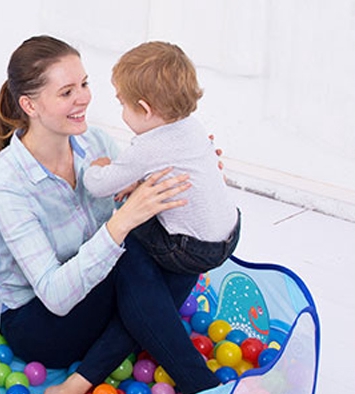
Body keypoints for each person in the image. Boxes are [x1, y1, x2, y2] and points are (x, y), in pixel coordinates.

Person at [0, 35, 221, 394]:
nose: (84, 98)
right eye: (66, 92)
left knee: (180, 250)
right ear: (30, 105)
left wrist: (186, 172)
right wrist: (124, 221)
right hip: (40, 323)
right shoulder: (6, 182)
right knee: (135, 250)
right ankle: (204, 388)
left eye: (84, 84)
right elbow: (56, 296)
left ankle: (79, 382)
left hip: (98, 293)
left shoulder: (94, 143)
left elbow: (139, 186)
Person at [83, 41, 240, 276]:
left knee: (128, 214)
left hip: (189, 251)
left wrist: (96, 167)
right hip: (231, 233)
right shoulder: (193, 126)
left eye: (122, 103)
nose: (122, 111)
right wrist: (137, 182)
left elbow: (98, 186)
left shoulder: (147, 147)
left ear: (145, 110)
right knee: (145, 195)